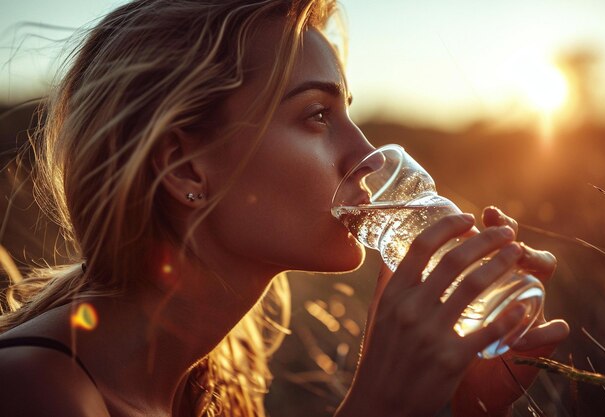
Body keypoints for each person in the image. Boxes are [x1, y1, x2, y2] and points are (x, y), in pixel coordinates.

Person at [0, 0, 569, 416]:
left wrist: (462, 406)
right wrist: (380, 408)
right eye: (317, 115)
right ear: (185, 169)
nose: (367, 154)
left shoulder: (205, 393)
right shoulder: (34, 390)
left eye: (347, 112)